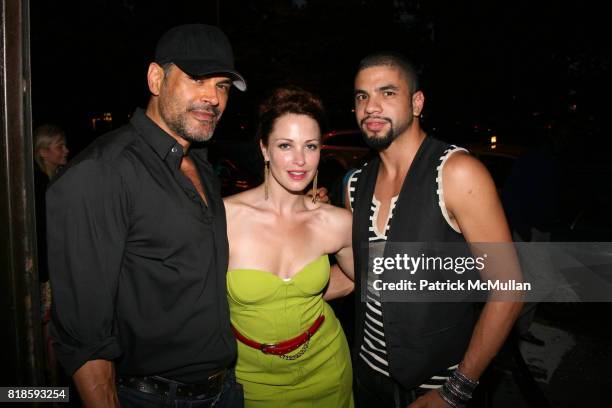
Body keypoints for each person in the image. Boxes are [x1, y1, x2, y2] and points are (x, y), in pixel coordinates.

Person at [47, 24, 247, 408]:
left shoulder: (201, 167)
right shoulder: (102, 172)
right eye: (198, 80)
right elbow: (84, 340)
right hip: (150, 398)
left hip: (224, 391)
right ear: (157, 78)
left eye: (222, 85)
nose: (213, 98)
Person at [345, 52, 523, 408]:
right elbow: (361, 277)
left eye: (387, 93)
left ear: (416, 102)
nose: (371, 107)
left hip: (438, 386)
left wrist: (456, 390)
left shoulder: (456, 173)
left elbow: (508, 289)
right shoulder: (356, 183)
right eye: (362, 96)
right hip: (365, 377)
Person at [224, 86, 355, 407]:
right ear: (264, 149)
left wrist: (297, 295)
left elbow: (358, 278)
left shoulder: (336, 222)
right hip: (251, 379)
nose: (300, 160)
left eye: (310, 146)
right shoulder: (224, 218)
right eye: (285, 145)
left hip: (327, 368)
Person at [33, 124, 69, 383]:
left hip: (51, 269)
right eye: (60, 147)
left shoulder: (55, 180)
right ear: (43, 152)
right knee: (48, 331)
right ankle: (50, 390)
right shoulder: (38, 187)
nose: (66, 151)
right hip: (45, 272)